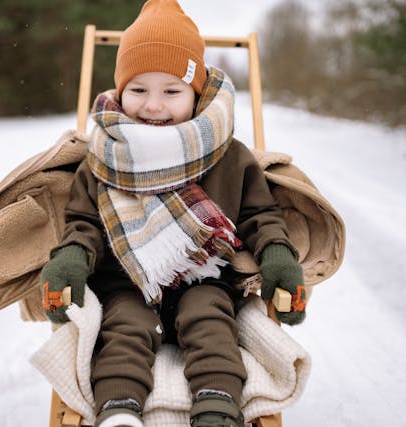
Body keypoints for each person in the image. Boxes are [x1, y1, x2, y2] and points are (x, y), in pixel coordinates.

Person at [40, 1, 306, 426]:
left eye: (171, 91)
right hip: (125, 282)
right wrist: (71, 257)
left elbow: (260, 212)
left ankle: (217, 404)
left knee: (210, 320)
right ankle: (119, 409)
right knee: (123, 330)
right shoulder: (104, 154)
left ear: (196, 94)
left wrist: (276, 251)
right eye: (139, 90)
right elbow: (83, 222)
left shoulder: (227, 155)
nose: (153, 106)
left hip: (206, 278)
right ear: (120, 91)